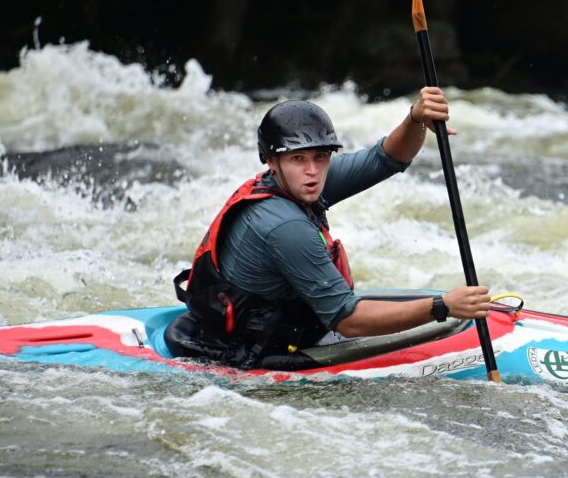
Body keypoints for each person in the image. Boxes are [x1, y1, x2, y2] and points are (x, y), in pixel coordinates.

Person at [167, 87, 491, 369]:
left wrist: (416, 118)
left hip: (272, 323)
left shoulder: (301, 182)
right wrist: (443, 307)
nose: (312, 170)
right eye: (298, 159)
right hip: (238, 352)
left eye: (321, 156)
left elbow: (388, 158)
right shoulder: (283, 226)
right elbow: (348, 321)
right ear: (270, 161)